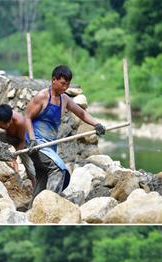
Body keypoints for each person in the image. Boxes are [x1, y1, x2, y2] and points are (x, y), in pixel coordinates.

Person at [24, 65, 106, 198]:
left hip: (50, 144)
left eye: (67, 84)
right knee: (57, 169)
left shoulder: (64, 99)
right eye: (62, 83)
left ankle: (33, 210)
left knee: (43, 175)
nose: (65, 87)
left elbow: (81, 113)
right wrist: (32, 140)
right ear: (53, 80)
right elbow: (27, 117)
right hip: (36, 143)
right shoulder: (42, 97)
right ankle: (49, 204)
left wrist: (96, 124)